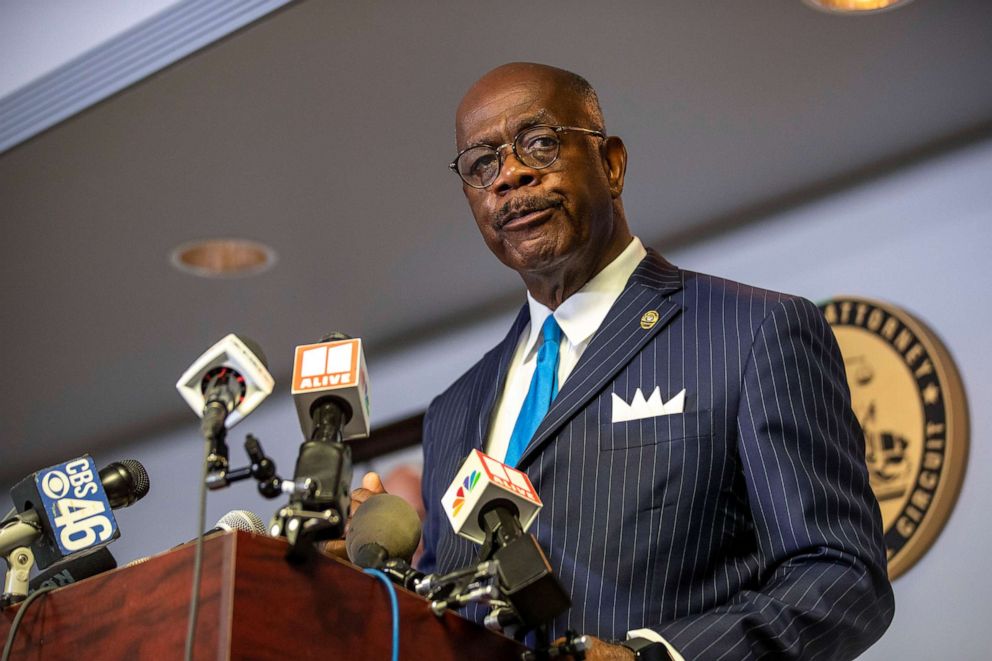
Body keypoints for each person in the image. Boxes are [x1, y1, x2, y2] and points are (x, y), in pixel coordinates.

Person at [361, 62, 894, 660]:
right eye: (481, 164)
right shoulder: (451, 413)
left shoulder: (753, 332)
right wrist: (365, 587)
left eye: (538, 143)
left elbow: (842, 579)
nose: (507, 175)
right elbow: (452, 623)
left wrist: (656, 658)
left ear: (611, 164)